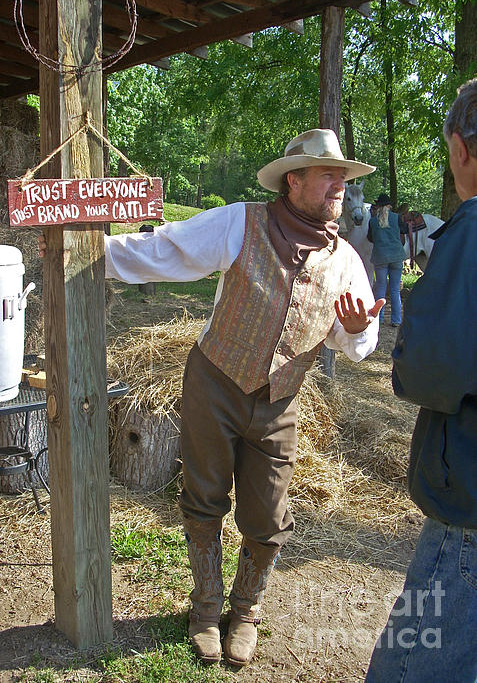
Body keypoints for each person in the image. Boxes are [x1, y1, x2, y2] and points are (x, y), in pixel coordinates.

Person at [40, 128, 384, 667]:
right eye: (327, 174)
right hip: (215, 382)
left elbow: (356, 344)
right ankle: (204, 610)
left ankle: (245, 610)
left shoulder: (347, 262)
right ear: (294, 181)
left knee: (268, 518)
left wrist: (357, 330)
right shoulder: (239, 222)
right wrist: (90, 253)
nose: (339, 184)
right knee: (203, 497)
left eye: (342, 175)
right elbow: (166, 250)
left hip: (279, 402)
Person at [365, 78, 477, 682]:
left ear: (459, 148)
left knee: (407, 669)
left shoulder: (470, 233)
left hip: (470, 520)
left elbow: (427, 371)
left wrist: (404, 343)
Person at [367, 193, 407, 327]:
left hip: (380, 257)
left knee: (381, 288)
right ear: (389, 205)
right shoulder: (397, 218)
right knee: (395, 290)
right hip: (396, 257)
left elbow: (370, 238)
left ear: (377, 206)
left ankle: (379, 318)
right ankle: (396, 320)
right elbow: (404, 231)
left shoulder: (373, 221)